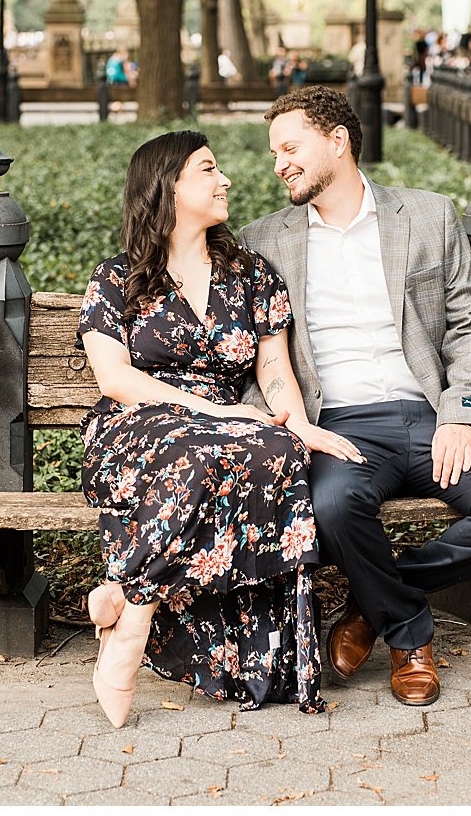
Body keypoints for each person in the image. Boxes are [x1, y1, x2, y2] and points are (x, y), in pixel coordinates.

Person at [240, 85, 471, 707]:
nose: (280, 164)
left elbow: (470, 322)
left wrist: (461, 413)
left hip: (433, 410)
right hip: (344, 425)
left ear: (338, 141)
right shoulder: (262, 241)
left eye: (291, 147)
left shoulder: (429, 215)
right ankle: (410, 637)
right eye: (275, 153)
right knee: (330, 510)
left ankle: (371, 600)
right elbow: (256, 358)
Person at [77, 130, 341, 728]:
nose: (225, 181)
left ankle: (125, 592)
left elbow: (273, 368)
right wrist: (210, 412)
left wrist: (300, 426)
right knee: (202, 454)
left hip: (229, 431)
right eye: (208, 170)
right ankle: (132, 630)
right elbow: (115, 379)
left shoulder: (250, 274)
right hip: (136, 428)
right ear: (167, 187)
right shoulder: (116, 279)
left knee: (280, 447)